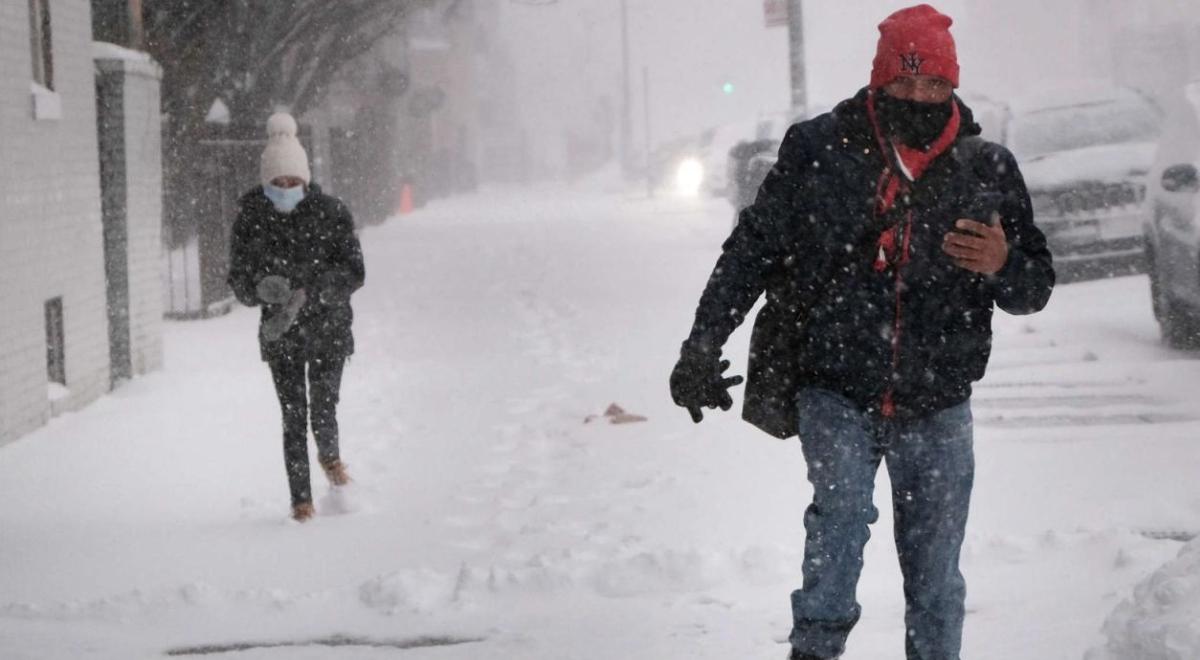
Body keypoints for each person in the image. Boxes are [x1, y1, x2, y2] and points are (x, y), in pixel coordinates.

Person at [669, 5, 1054, 659]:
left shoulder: (984, 166)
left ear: (951, 86)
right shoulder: (821, 149)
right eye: (904, 84)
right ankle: (815, 650)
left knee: (935, 570)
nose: (918, 96)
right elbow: (753, 249)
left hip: (939, 399)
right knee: (840, 521)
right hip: (836, 386)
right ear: (880, 83)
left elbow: (1035, 286)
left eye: (933, 84)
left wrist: (1003, 264)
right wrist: (703, 344)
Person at [227, 113, 366, 523]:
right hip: (281, 333)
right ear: (266, 183)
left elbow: (354, 271)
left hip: (328, 329)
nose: (285, 190)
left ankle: (330, 457)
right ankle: (301, 501)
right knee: (292, 417)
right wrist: (260, 288)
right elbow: (238, 279)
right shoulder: (251, 219)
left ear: (305, 180)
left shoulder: (331, 213)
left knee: (324, 408)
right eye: (277, 184)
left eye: (292, 182)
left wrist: (320, 290)